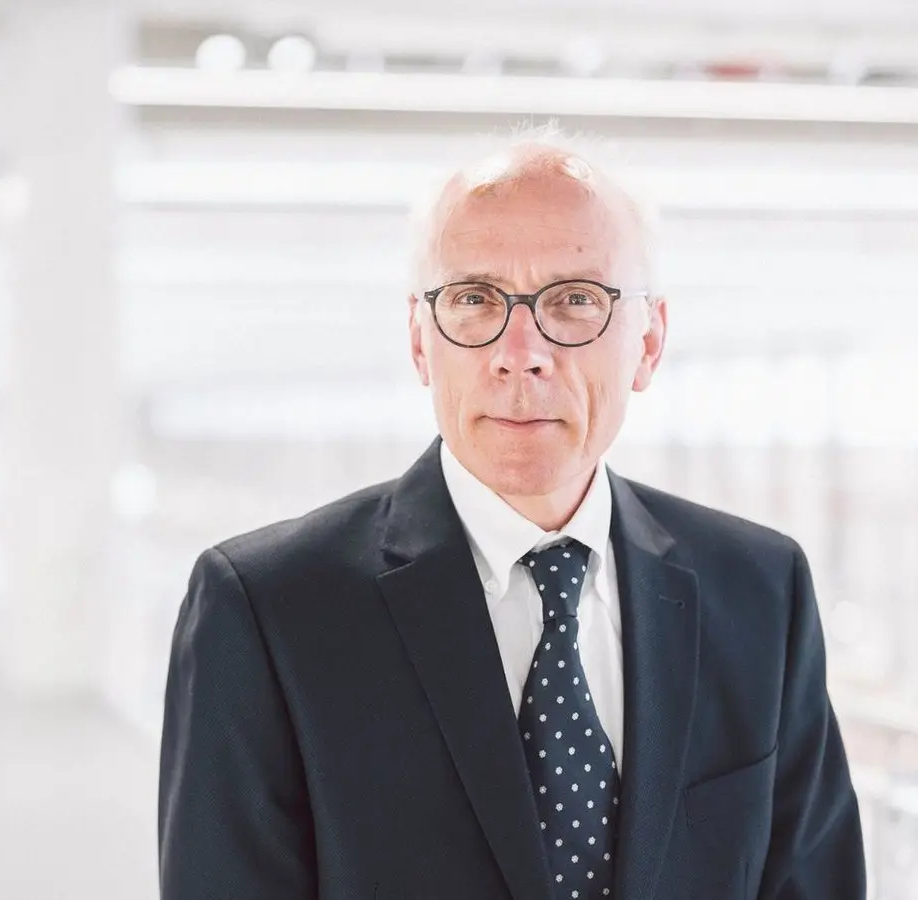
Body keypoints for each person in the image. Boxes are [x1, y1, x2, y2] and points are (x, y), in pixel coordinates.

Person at [157, 128, 865, 899]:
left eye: (574, 300)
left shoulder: (760, 591)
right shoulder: (268, 609)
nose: (520, 351)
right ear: (421, 342)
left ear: (650, 342)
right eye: (474, 300)